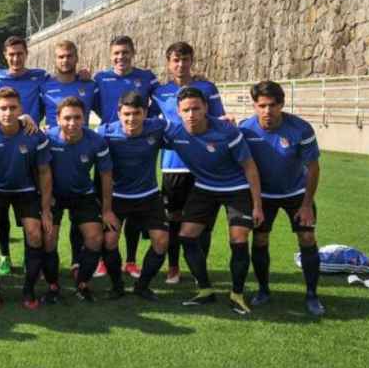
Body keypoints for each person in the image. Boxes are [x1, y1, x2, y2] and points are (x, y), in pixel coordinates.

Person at [164, 87, 264, 315]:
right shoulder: (176, 133)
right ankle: (206, 290)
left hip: (237, 189)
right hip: (205, 188)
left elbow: (249, 166)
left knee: (238, 240)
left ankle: (237, 294)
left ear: (206, 108)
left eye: (196, 108)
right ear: (178, 112)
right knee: (186, 237)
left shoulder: (227, 132)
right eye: (186, 110)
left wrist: (257, 205)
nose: (191, 114)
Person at [239, 81, 324, 316]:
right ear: (254, 106)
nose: (267, 111)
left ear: (282, 105)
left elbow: (314, 169)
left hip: (296, 193)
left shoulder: (301, 129)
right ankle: (263, 290)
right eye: (262, 105)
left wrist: (307, 205)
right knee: (260, 240)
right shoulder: (244, 129)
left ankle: (312, 295)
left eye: (273, 105)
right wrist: (255, 204)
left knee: (307, 237)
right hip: (263, 195)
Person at [151, 41, 227, 284]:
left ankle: (199, 269)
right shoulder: (159, 92)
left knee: (202, 221)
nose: (181, 65)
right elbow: (151, 123)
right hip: (173, 165)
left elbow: (218, 118)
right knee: (173, 219)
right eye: (176, 60)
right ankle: (173, 267)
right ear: (168, 63)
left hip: (204, 164)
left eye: (185, 60)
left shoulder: (207, 87)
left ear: (192, 61)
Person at [0, 88, 53, 309]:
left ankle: (28, 291)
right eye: (3, 108)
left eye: (13, 108)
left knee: (35, 233)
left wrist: (46, 209)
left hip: (24, 189)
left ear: (21, 110)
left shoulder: (34, 134)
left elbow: (45, 172)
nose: (8, 112)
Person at [93, 35, 159, 281]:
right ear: (111, 55)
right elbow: (94, 103)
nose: (121, 57)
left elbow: (161, 98)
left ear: (133, 52)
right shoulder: (100, 78)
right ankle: (102, 259)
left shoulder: (147, 77)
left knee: (134, 212)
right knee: (106, 203)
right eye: (116, 53)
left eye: (125, 52)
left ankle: (131, 261)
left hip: (137, 139)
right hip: (109, 141)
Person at [0, 36, 50, 276]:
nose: (16, 58)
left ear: (26, 53)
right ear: (5, 55)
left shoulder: (40, 76)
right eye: (11, 54)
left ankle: (30, 257)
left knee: (29, 209)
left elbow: (55, 95)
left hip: (31, 145)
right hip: (3, 141)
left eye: (20, 53)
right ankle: (4, 255)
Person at [96, 91, 169, 301]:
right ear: (118, 113)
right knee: (109, 241)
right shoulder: (105, 133)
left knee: (161, 241)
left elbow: (187, 126)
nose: (131, 119)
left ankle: (142, 286)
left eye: (137, 113)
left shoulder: (157, 128)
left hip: (148, 196)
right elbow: (76, 134)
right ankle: (117, 286)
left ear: (145, 113)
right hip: (117, 197)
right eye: (126, 113)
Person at [46, 97, 114, 302]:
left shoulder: (96, 141)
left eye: (77, 117)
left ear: (84, 118)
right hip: (54, 196)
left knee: (95, 238)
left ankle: (83, 283)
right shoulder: (46, 138)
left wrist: (107, 210)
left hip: (83, 194)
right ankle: (52, 285)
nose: (72, 123)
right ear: (57, 119)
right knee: (48, 238)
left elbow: (106, 175)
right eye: (67, 118)